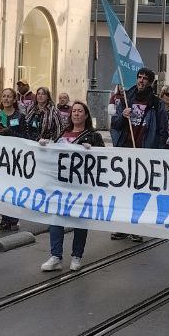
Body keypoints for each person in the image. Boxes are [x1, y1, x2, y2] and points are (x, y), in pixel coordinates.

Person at [39, 101, 106, 271]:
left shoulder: (93, 135)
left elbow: (104, 159)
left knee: (79, 221)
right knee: (56, 219)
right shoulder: (62, 133)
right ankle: (56, 256)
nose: (76, 113)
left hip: (81, 187)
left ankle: (77, 256)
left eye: (79, 111)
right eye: (73, 111)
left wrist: (93, 150)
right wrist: (43, 146)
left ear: (85, 115)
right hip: (61, 186)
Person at [110, 67, 160, 240]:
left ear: (150, 82)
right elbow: (114, 124)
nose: (141, 80)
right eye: (139, 77)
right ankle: (122, 226)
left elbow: (161, 131)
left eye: (145, 78)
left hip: (143, 153)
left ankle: (137, 228)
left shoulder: (156, 103)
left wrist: (156, 152)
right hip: (125, 150)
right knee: (123, 190)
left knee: (139, 192)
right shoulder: (126, 98)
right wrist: (122, 116)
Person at [0, 87, 26, 231]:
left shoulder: (19, 117)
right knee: (2, 188)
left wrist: (8, 131)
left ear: (14, 99)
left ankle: (14, 219)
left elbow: (24, 137)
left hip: (15, 158)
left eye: (9, 96)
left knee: (13, 188)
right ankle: (5, 219)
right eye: (3, 96)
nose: (5, 99)